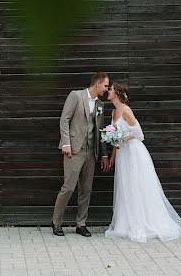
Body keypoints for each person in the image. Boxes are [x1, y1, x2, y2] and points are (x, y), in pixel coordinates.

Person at [104, 81, 181, 242]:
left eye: (111, 89)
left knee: (137, 185)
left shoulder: (126, 111)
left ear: (118, 93)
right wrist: (113, 155)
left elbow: (139, 133)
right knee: (125, 185)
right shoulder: (113, 112)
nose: (108, 91)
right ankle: (124, 224)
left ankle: (145, 221)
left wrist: (121, 137)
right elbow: (114, 139)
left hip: (134, 152)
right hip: (122, 154)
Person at [51, 71, 111, 237]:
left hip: (91, 151)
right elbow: (64, 119)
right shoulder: (76, 96)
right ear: (97, 83)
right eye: (106, 85)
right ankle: (56, 222)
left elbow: (100, 131)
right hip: (73, 149)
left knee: (86, 189)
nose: (107, 89)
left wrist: (104, 154)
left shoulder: (100, 105)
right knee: (69, 187)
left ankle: (81, 223)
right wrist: (66, 143)